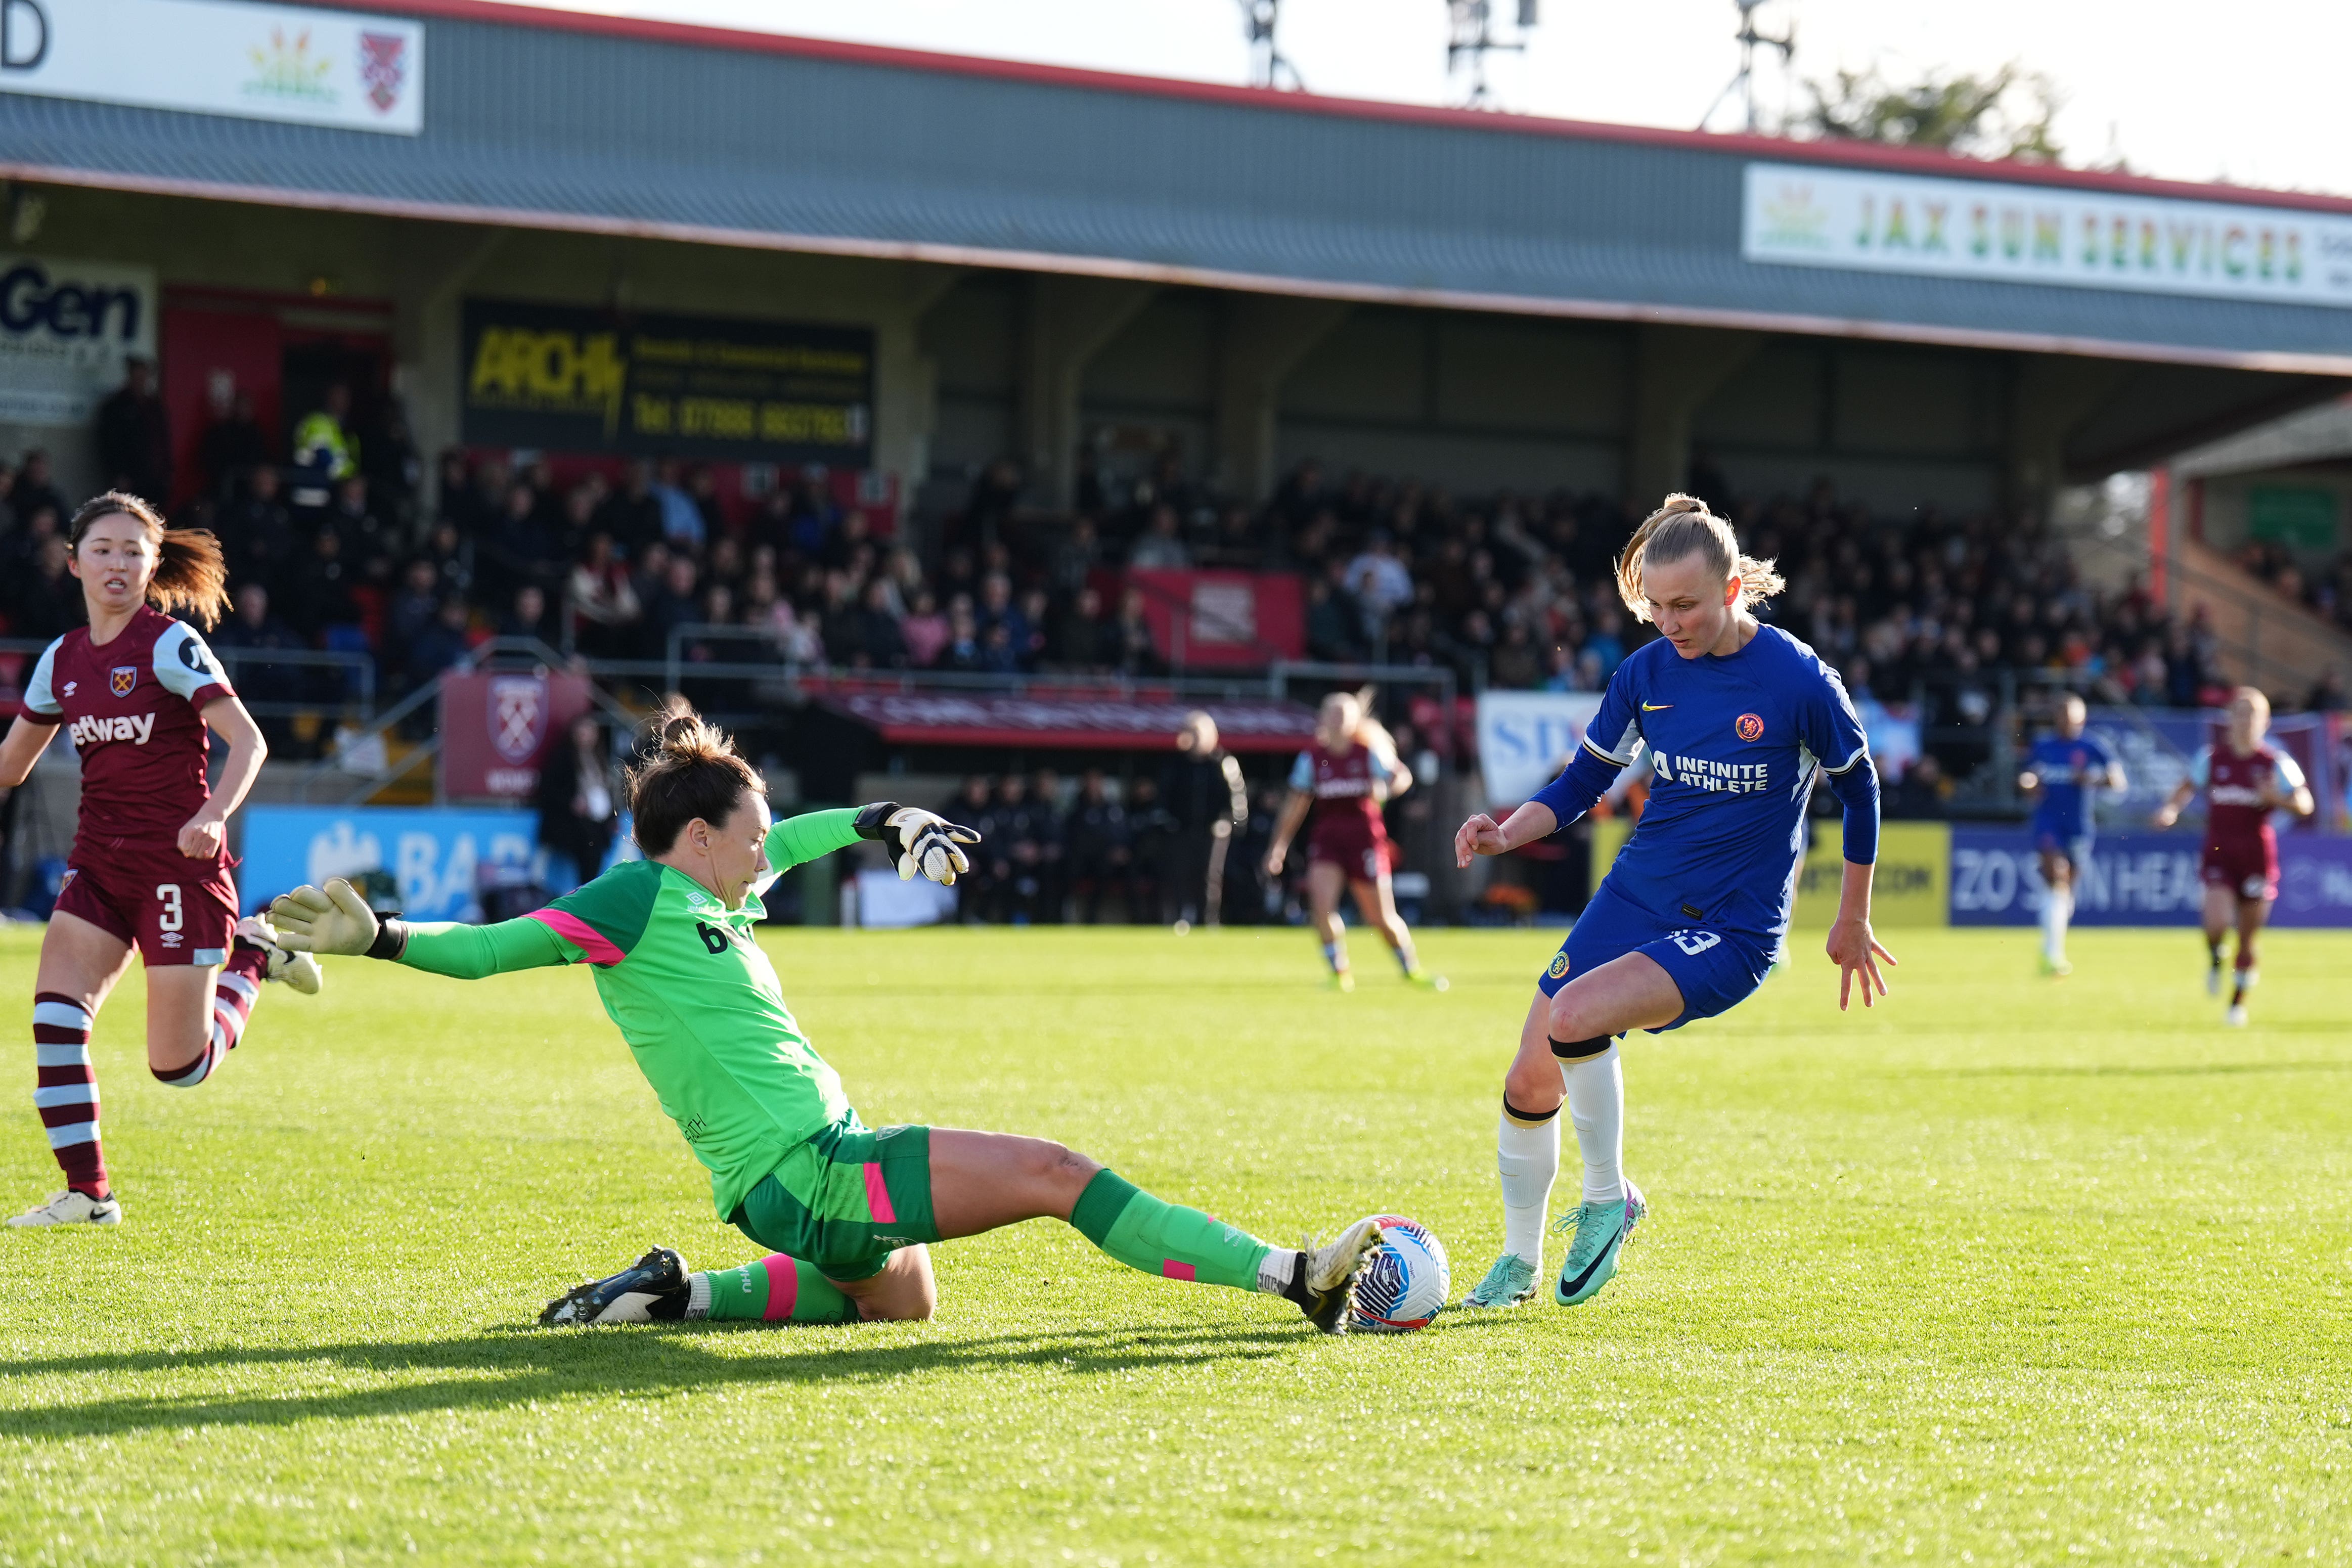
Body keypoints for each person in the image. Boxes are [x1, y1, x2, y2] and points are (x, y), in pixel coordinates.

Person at [266, 705, 1383, 1331]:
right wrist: (385, 936)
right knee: (1056, 1169)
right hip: (812, 1169)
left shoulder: (707, 889)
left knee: (904, 1298)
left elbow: (794, 837)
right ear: (696, 835)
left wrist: (881, 817)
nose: (766, 851)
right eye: (746, 833)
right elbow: (497, 947)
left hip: (782, 1189)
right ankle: (1294, 1275)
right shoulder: (637, 894)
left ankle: (672, 1294)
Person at [1449, 494, 1890, 1313]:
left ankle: (1610, 1198)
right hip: (1636, 896)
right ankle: (1516, 1265)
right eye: (1654, 604)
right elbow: (1586, 780)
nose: (1667, 621)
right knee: (1529, 1074)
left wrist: (1851, 915)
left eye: (1684, 604)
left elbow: (1859, 788)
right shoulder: (1644, 673)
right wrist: (1508, 833)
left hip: (1731, 927)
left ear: (1732, 591)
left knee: (1574, 1015)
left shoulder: (1797, 679)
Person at [0, 492, 321, 1228]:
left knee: (180, 1068)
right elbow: (11, 766)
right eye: (104, 549)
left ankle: (254, 955)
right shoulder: (61, 660)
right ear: (74, 562)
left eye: (133, 551)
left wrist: (213, 813)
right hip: (98, 870)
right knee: (55, 1018)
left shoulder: (170, 644)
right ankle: (89, 1196)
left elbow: (249, 742)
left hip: (180, 869)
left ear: (152, 567)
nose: (118, 563)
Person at [2152, 686, 2315, 1026]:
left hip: (2256, 856)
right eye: (2239, 713)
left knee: (2247, 936)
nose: (2245, 721)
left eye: (2252, 714)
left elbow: (2304, 804)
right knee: (2215, 922)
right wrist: (2170, 809)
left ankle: (2236, 1004)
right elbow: (2185, 787)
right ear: (2228, 719)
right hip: (2218, 852)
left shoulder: (2275, 763)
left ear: (2265, 721)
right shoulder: (2211, 759)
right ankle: (2214, 955)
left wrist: (2277, 798)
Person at [1263, 691, 1440, 991]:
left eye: (1344, 714)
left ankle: (1411, 968)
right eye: (1332, 713)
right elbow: (1295, 806)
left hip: (1366, 842)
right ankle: (1339, 973)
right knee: (1322, 909)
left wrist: (1391, 787)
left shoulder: (1368, 753)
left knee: (1380, 918)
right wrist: (1277, 847)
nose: (1338, 719)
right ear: (1323, 718)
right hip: (1328, 842)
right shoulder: (1312, 760)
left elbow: (1401, 776)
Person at [2018, 692, 2125, 977]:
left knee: (2064, 895)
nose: (2066, 720)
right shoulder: (2043, 745)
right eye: (2061, 714)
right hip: (2048, 821)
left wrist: (2091, 779)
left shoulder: (2093, 747)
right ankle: (2054, 955)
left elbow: (2118, 783)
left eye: (2071, 714)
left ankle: (2049, 945)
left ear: (2082, 717)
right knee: (2057, 876)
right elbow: (2027, 775)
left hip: (2078, 825)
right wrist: (2028, 783)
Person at [535, 713, 618, 887]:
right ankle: (585, 891)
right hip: (573, 822)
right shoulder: (564, 757)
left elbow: (609, 790)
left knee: (597, 846)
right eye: (582, 732)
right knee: (588, 845)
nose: (586, 736)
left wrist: (612, 817)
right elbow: (548, 789)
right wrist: (572, 803)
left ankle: (590, 889)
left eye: (590, 732)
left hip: (598, 821)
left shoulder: (600, 759)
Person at [96, 356, 171, 502]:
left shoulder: (155, 407)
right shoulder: (115, 407)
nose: (141, 380)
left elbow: (164, 441)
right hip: (129, 478)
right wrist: (118, 474)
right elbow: (109, 443)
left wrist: (167, 472)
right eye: (137, 376)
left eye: (144, 376)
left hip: (154, 478)